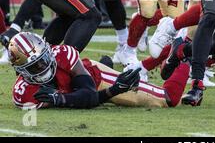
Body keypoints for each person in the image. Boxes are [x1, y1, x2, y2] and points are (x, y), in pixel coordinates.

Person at [9, 32, 190, 109]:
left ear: (49, 51)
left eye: (44, 60)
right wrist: (63, 99)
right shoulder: (23, 94)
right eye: (35, 66)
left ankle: (183, 54)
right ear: (21, 71)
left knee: (169, 99)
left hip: (95, 79)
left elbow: (89, 94)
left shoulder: (62, 54)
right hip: (80, 87)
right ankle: (169, 52)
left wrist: (114, 90)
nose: (44, 67)